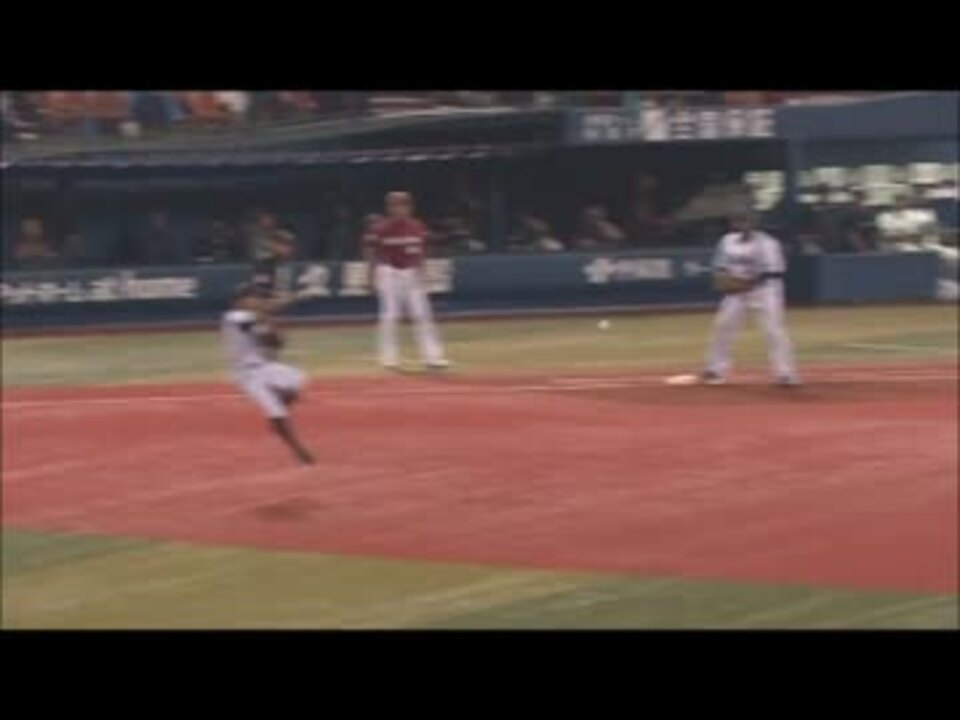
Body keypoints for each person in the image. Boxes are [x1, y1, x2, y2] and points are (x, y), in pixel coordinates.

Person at [700, 212, 800, 387]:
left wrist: (745, 284)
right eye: (738, 221)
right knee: (723, 325)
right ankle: (714, 370)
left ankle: (785, 373)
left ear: (754, 223)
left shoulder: (768, 243)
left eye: (746, 221)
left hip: (766, 290)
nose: (742, 224)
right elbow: (720, 266)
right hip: (737, 291)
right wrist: (726, 279)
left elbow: (773, 272)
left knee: (773, 330)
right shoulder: (727, 241)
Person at [221, 283, 315, 465]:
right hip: (246, 375)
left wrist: (271, 322)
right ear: (240, 300)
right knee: (277, 412)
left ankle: (277, 420)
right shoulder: (233, 316)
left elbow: (277, 342)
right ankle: (299, 451)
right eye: (252, 297)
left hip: (264, 367)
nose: (256, 300)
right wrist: (293, 298)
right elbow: (259, 316)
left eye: (257, 297)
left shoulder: (256, 319)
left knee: (298, 381)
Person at [364, 191, 449, 371]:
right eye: (394, 205)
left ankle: (433, 357)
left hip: (412, 272)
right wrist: (370, 276)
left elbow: (423, 250)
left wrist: (423, 272)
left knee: (423, 314)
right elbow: (370, 252)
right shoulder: (380, 228)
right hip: (389, 272)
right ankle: (389, 358)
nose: (399, 208)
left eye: (403, 204)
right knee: (390, 315)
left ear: (409, 207)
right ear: (389, 208)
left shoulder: (418, 226)